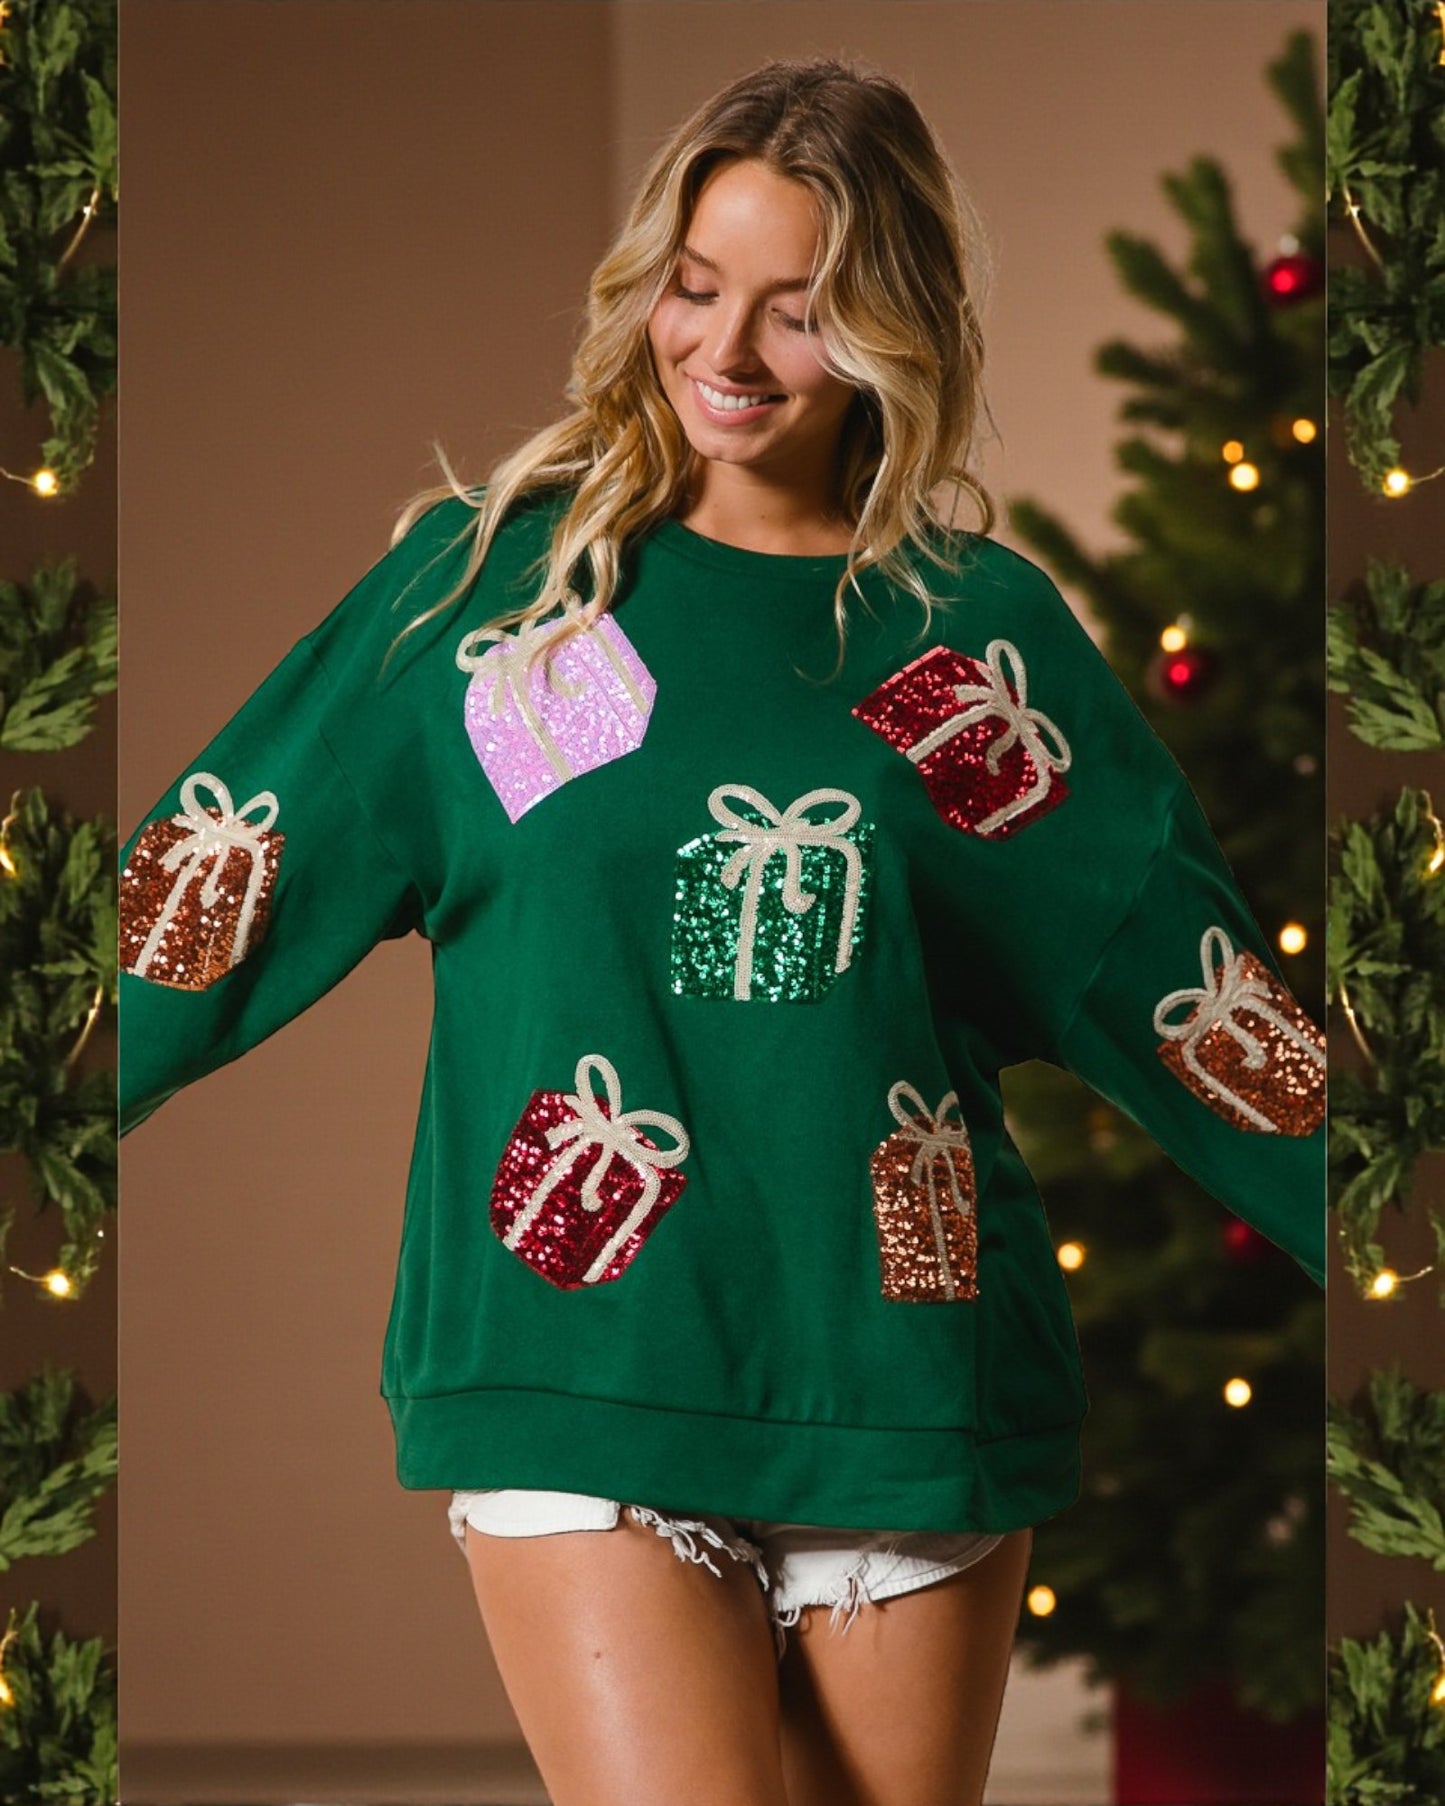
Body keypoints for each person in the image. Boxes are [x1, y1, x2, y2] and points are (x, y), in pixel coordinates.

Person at [119, 55, 1326, 1806]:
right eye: (699, 289)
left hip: (904, 1369)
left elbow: (1188, 995)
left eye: (803, 309)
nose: (730, 353)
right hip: (581, 1355)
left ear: (892, 330)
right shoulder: (493, 608)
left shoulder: (968, 641)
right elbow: (201, 894)